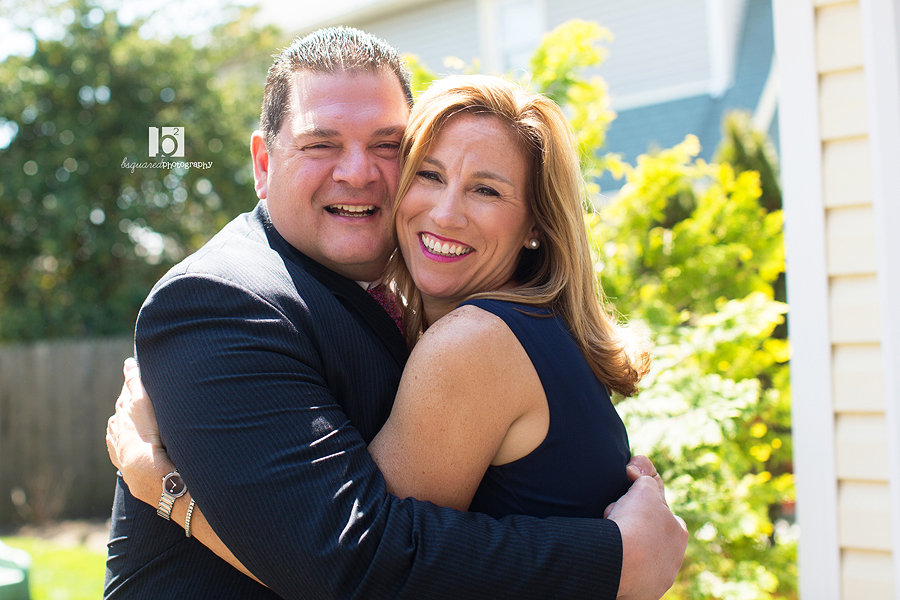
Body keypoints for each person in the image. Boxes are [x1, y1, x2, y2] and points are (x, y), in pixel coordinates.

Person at [104, 26, 687, 600]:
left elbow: (360, 563)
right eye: (320, 144)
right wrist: (612, 561)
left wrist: (162, 486)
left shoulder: (464, 328)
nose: (357, 172)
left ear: (536, 222)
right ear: (263, 163)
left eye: (387, 146)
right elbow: (353, 564)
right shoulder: (221, 302)